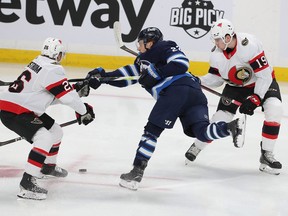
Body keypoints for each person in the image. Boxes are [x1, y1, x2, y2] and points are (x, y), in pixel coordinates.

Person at [85, 27, 245, 190]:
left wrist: (156, 73)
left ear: (150, 43)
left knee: (151, 131)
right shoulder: (142, 61)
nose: (138, 47)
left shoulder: (164, 47)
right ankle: (230, 128)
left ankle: (136, 173)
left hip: (175, 90)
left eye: (140, 43)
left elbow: (181, 64)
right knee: (201, 132)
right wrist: (103, 77)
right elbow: (125, 77)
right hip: (195, 94)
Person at [0, 37, 95, 200]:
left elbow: (46, 95)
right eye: (60, 54)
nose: (61, 57)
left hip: (19, 107)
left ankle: (47, 167)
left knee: (55, 131)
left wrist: (75, 90)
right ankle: (27, 184)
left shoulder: (39, 62)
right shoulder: (53, 70)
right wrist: (84, 110)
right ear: (56, 54)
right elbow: (67, 98)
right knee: (44, 137)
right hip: (16, 111)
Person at [185, 19, 283, 175]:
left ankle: (266, 154)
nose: (216, 43)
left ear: (228, 37)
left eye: (218, 39)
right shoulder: (216, 55)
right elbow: (216, 79)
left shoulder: (249, 45)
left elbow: (264, 76)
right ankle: (198, 144)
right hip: (235, 87)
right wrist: (199, 80)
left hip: (261, 82)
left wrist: (257, 96)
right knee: (219, 118)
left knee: (275, 109)